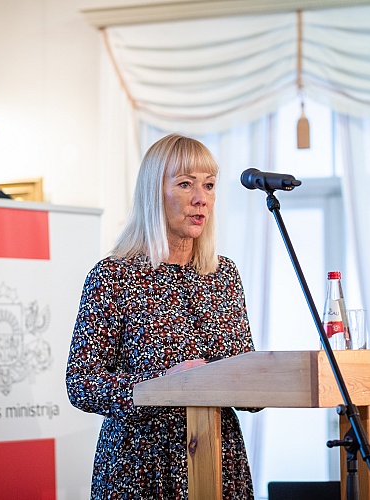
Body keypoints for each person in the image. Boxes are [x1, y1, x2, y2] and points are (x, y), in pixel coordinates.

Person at [66, 133, 256, 499]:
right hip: (142, 461)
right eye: (185, 184)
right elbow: (82, 382)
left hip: (218, 456)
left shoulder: (224, 275)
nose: (201, 198)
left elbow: (244, 374)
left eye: (209, 185)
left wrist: (262, 380)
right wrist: (159, 386)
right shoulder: (114, 276)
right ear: (154, 192)